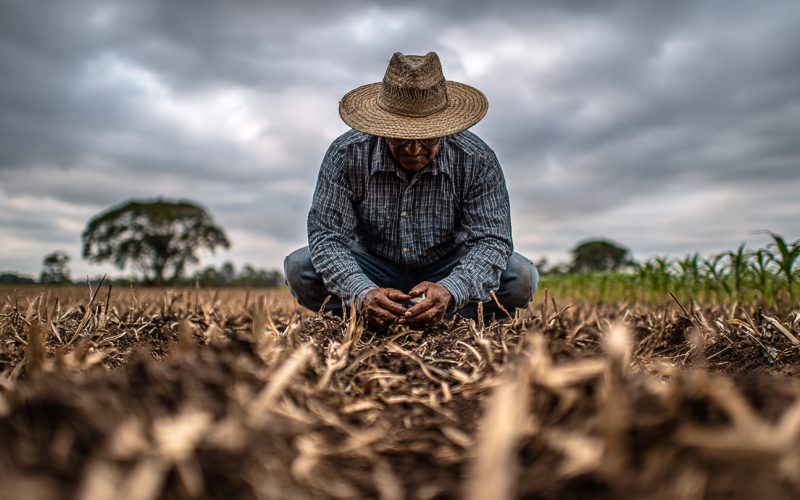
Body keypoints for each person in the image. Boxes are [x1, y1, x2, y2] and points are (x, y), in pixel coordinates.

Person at [284, 51, 538, 329]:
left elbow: (492, 241)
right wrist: (362, 291)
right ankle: (375, 311)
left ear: (444, 126)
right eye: (402, 136)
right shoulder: (346, 154)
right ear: (382, 126)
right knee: (301, 268)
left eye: (426, 136)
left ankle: (438, 315)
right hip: (372, 267)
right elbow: (327, 237)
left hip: (447, 266)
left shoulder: (476, 159)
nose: (414, 149)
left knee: (520, 277)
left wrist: (452, 289)